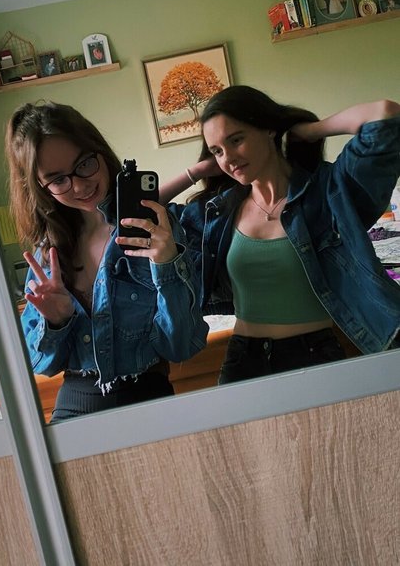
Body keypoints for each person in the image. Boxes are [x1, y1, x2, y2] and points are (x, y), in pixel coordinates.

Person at [162, 85, 400, 384]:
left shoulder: (327, 193)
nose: (229, 158)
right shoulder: (216, 213)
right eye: (217, 151)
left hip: (316, 356)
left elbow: (386, 116)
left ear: (269, 129)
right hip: (243, 361)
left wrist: (311, 130)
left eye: (236, 140)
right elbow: (131, 215)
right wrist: (196, 172)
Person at [6, 101, 208, 421]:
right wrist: (57, 321)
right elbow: (42, 364)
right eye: (58, 180)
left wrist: (167, 266)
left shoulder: (156, 228)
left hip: (149, 398)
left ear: (99, 151)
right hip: (75, 405)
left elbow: (181, 346)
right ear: (41, 188)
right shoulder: (48, 251)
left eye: (84, 164)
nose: (79, 185)